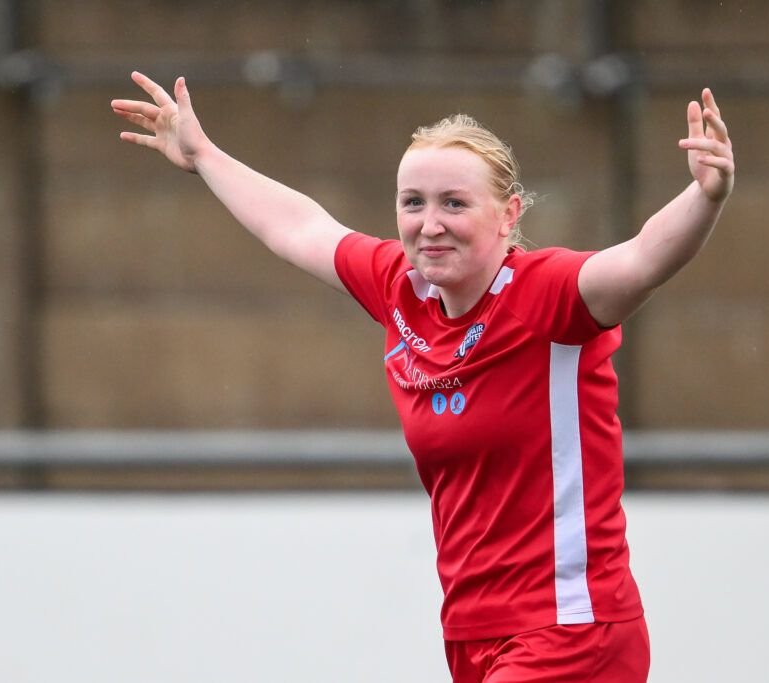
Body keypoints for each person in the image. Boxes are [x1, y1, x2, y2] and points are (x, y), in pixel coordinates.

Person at [112, 71, 734, 683]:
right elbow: (297, 226)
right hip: (470, 634)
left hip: (572, 630)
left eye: (454, 203)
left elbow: (645, 258)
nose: (429, 224)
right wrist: (204, 155)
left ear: (507, 214)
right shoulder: (402, 289)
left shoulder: (549, 295)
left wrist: (705, 196)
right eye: (413, 203)